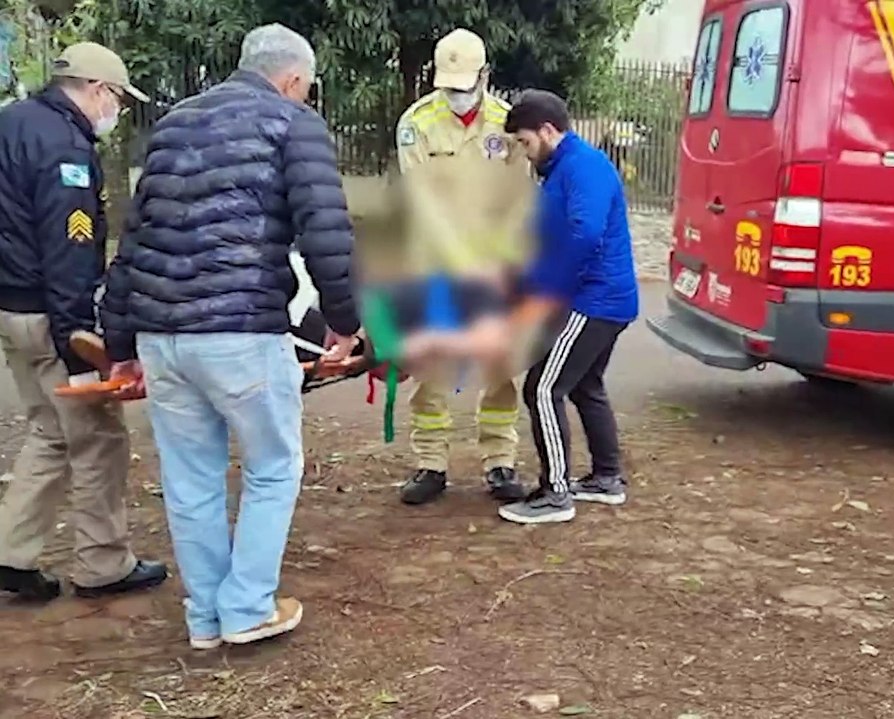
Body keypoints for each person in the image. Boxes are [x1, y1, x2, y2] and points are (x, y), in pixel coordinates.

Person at [99, 24, 360, 648]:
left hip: (161, 333)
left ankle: (206, 617)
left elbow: (135, 237)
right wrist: (348, 323)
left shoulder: (174, 123)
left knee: (191, 478)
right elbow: (326, 232)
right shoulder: (293, 123)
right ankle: (246, 608)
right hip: (240, 330)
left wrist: (119, 344)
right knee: (273, 466)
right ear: (295, 78)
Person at [0, 42, 169, 602]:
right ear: (99, 89)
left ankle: (11, 553)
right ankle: (104, 563)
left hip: (9, 307)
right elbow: (69, 252)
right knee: (97, 438)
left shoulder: (11, 123)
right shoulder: (64, 148)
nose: (115, 112)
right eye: (117, 100)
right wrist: (81, 349)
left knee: (49, 430)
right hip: (48, 311)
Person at [391, 28, 533, 506]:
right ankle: (430, 463)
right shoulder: (417, 122)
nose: (456, 95)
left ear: (485, 76)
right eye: (449, 86)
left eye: (465, 85)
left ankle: (500, 462)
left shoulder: (506, 123)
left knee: (500, 367)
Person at [495, 90, 640, 525]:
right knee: (584, 385)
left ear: (546, 131)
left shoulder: (584, 167)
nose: (523, 151)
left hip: (594, 299)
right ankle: (606, 478)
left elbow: (583, 234)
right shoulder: (559, 169)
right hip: (600, 297)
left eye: (524, 142)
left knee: (542, 388)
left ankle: (555, 492)